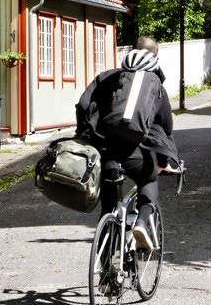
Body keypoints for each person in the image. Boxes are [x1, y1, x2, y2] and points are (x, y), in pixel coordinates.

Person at [75, 36, 180, 256]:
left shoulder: (107, 77)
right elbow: (164, 128)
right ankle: (141, 222)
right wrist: (163, 162)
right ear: (155, 58)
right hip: (135, 153)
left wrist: (85, 136)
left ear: (132, 51)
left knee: (108, 208)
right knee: (149, 179)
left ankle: (104, 274)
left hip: (105, 150)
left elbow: (84, 104)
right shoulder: (155, 85)